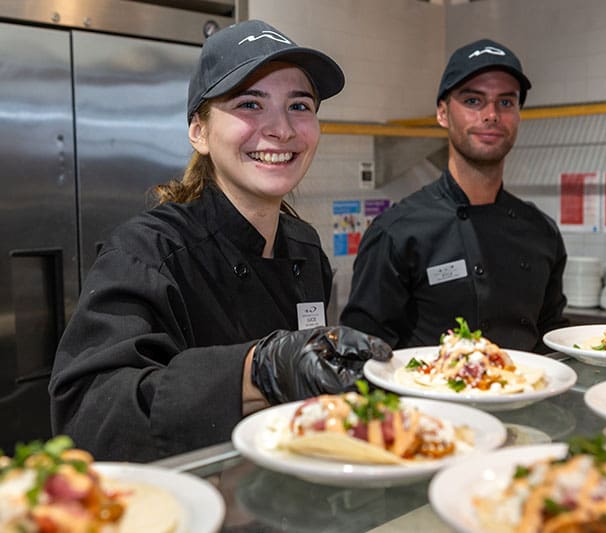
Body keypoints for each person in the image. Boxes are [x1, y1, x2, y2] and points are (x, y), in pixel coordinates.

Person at [49, 20, 391, 462]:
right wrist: (258, 370)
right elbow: (90, 418)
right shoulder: (145, 252)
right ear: (199, 131)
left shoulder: (305, 249)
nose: (282, 129)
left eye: (300, 106)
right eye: (250, 103)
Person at [340, 39, 568, 354]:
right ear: (443, 113)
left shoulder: (541, 232)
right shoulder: (397, 231)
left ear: (518, 115)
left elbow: (552, 339)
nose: (491, 115)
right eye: (473, 101)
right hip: (425, 403)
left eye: (506, 102)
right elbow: (360, 352)